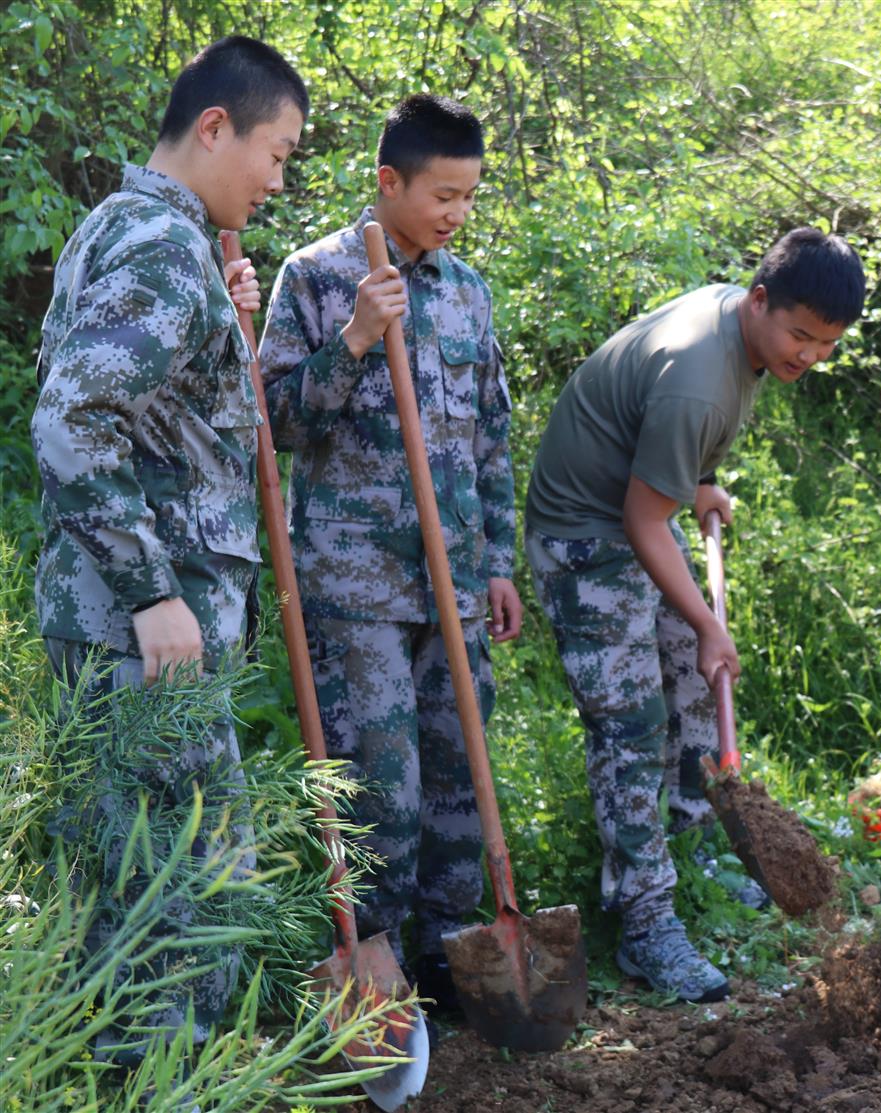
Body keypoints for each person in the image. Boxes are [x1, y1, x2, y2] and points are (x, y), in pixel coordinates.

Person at [31, 34, 307, 1054]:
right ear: (213, 126)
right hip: (144, 638)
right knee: (185, 899)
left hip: (115, 628)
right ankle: (170, 1087)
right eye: (276, 153)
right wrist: (155, 592)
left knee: (117, 891)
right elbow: (70, 418)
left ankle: (115, 1077)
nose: (277, 181)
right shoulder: (161, 245)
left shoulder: (128, 226)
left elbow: (141, 414)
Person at [522, 228, 865, 1001]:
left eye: (827, 343)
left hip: (635, 513)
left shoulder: (735, 331)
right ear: (758, 300)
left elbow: (664, 447)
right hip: (586, 536)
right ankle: (646, 926)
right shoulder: (699, 379)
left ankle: (695, 851)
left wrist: (700, 478)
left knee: (692, 688)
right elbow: (646, 522)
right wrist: (711, 621)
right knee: (631, 725)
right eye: (799, 335)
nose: (808, 355)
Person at [258, 94, 518, 1007]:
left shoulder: (467, 290)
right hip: (354, 587)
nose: (456, 214)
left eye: (469, 197)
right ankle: (377, 976)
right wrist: (358, 338)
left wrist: (497, 560)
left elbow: (492, 435)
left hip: (452, 582)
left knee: (457, 785)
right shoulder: (317, 277)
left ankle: (454, 968)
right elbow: (275, 422)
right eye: (442, 195)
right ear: (388, 182)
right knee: (384, 799)